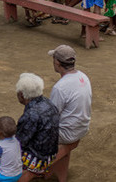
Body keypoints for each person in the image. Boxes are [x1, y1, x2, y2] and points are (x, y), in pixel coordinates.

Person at [0, 73, 58, 181]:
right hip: (50, 154)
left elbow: (17, 143)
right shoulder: (48, 103)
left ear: (22, 95)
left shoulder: (31, 115)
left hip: (37, 159)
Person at [48, 45, 92, 182]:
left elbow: (51, 117)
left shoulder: (60, 88)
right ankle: (59, 176)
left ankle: (39, 170)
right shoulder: (83, 76)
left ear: (57, 63)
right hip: (82, 127)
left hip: (68, 133)